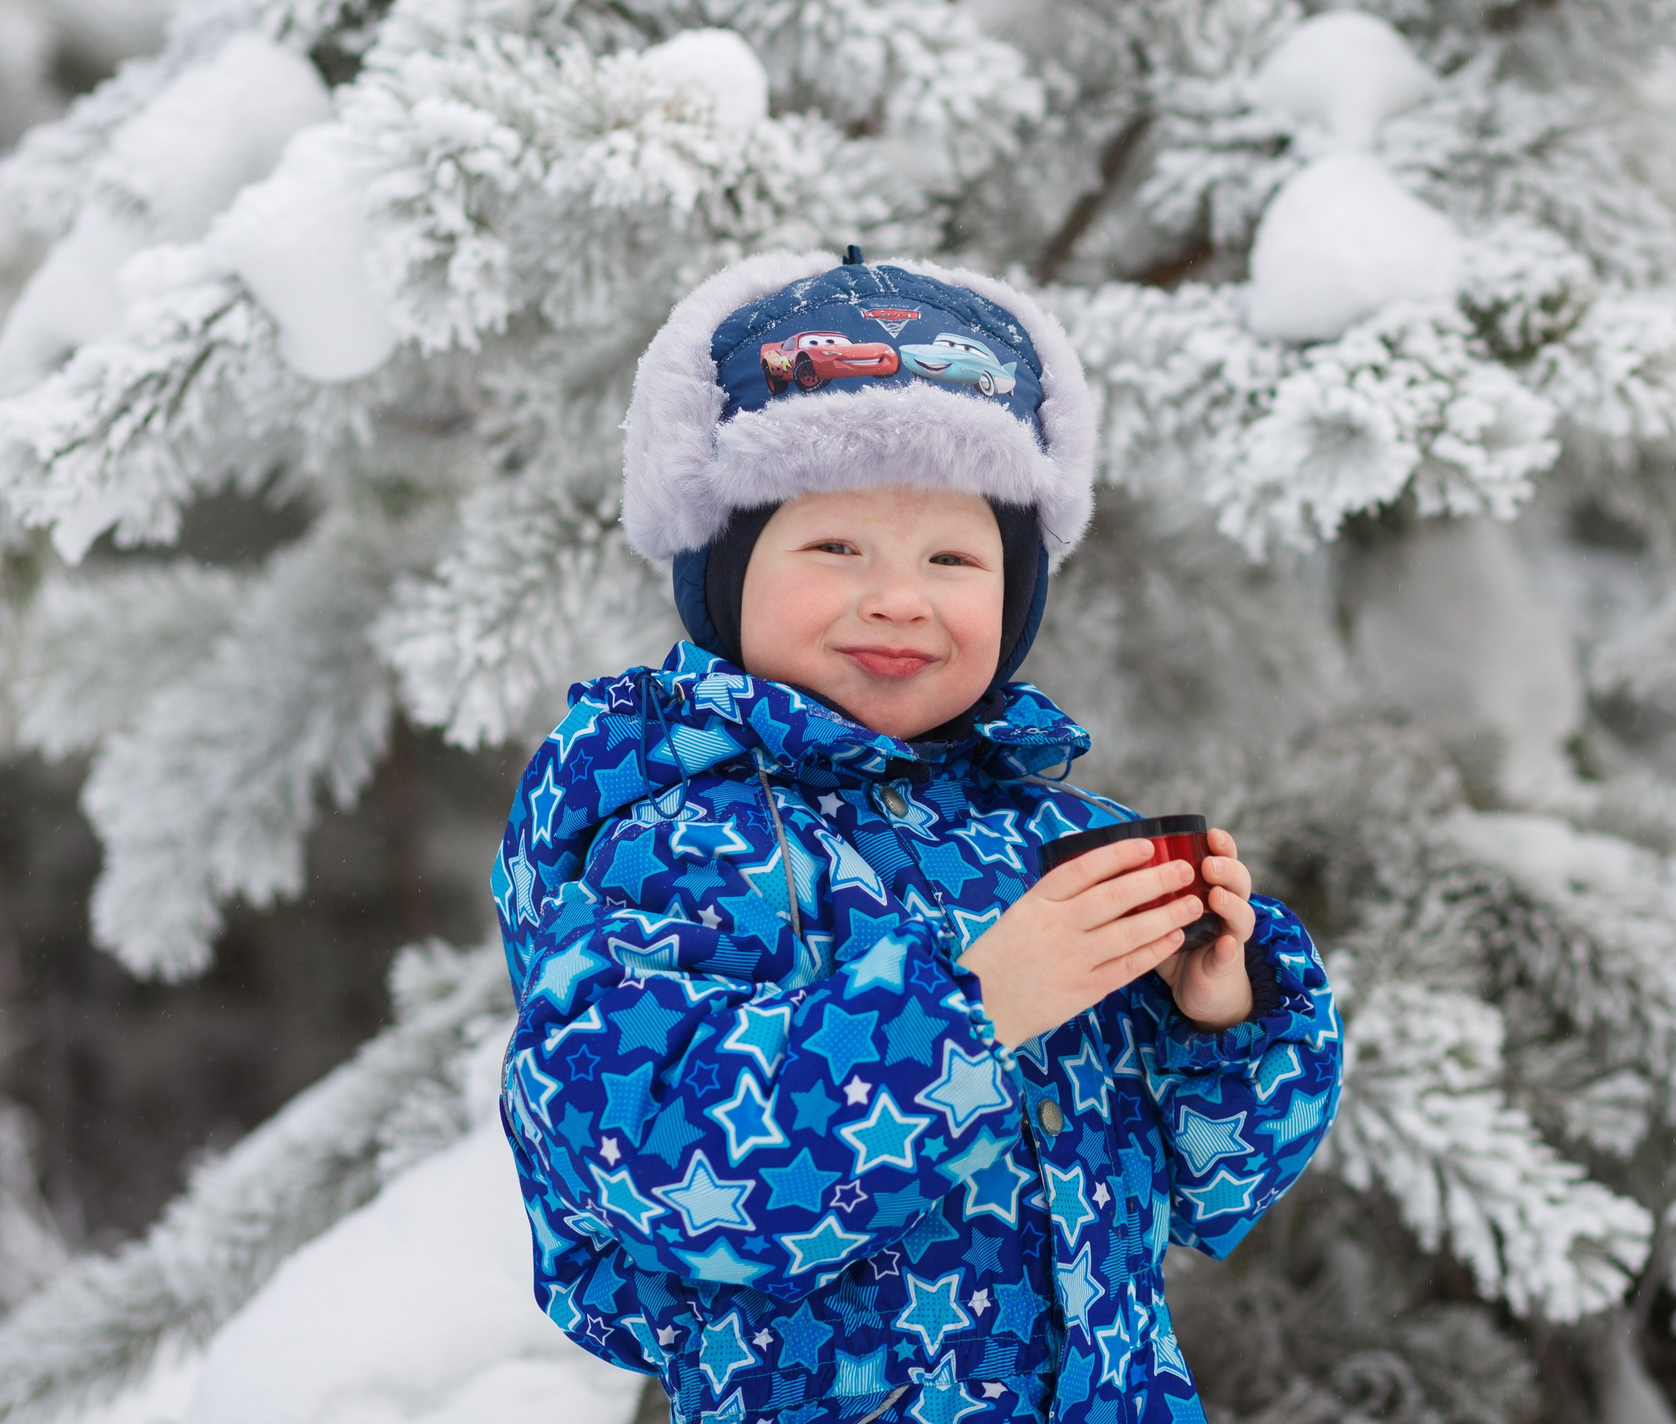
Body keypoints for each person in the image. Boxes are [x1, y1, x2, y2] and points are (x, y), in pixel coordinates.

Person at [492, 248, 1343, 1424]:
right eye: (836, 548)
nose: (899, 597)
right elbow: (672, 1177)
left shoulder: (1048, 840)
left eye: (953, 557)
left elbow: (1212, 1182)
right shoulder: (680, 839)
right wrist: (973, 1009)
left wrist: (1221, 1014)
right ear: (724, 578)